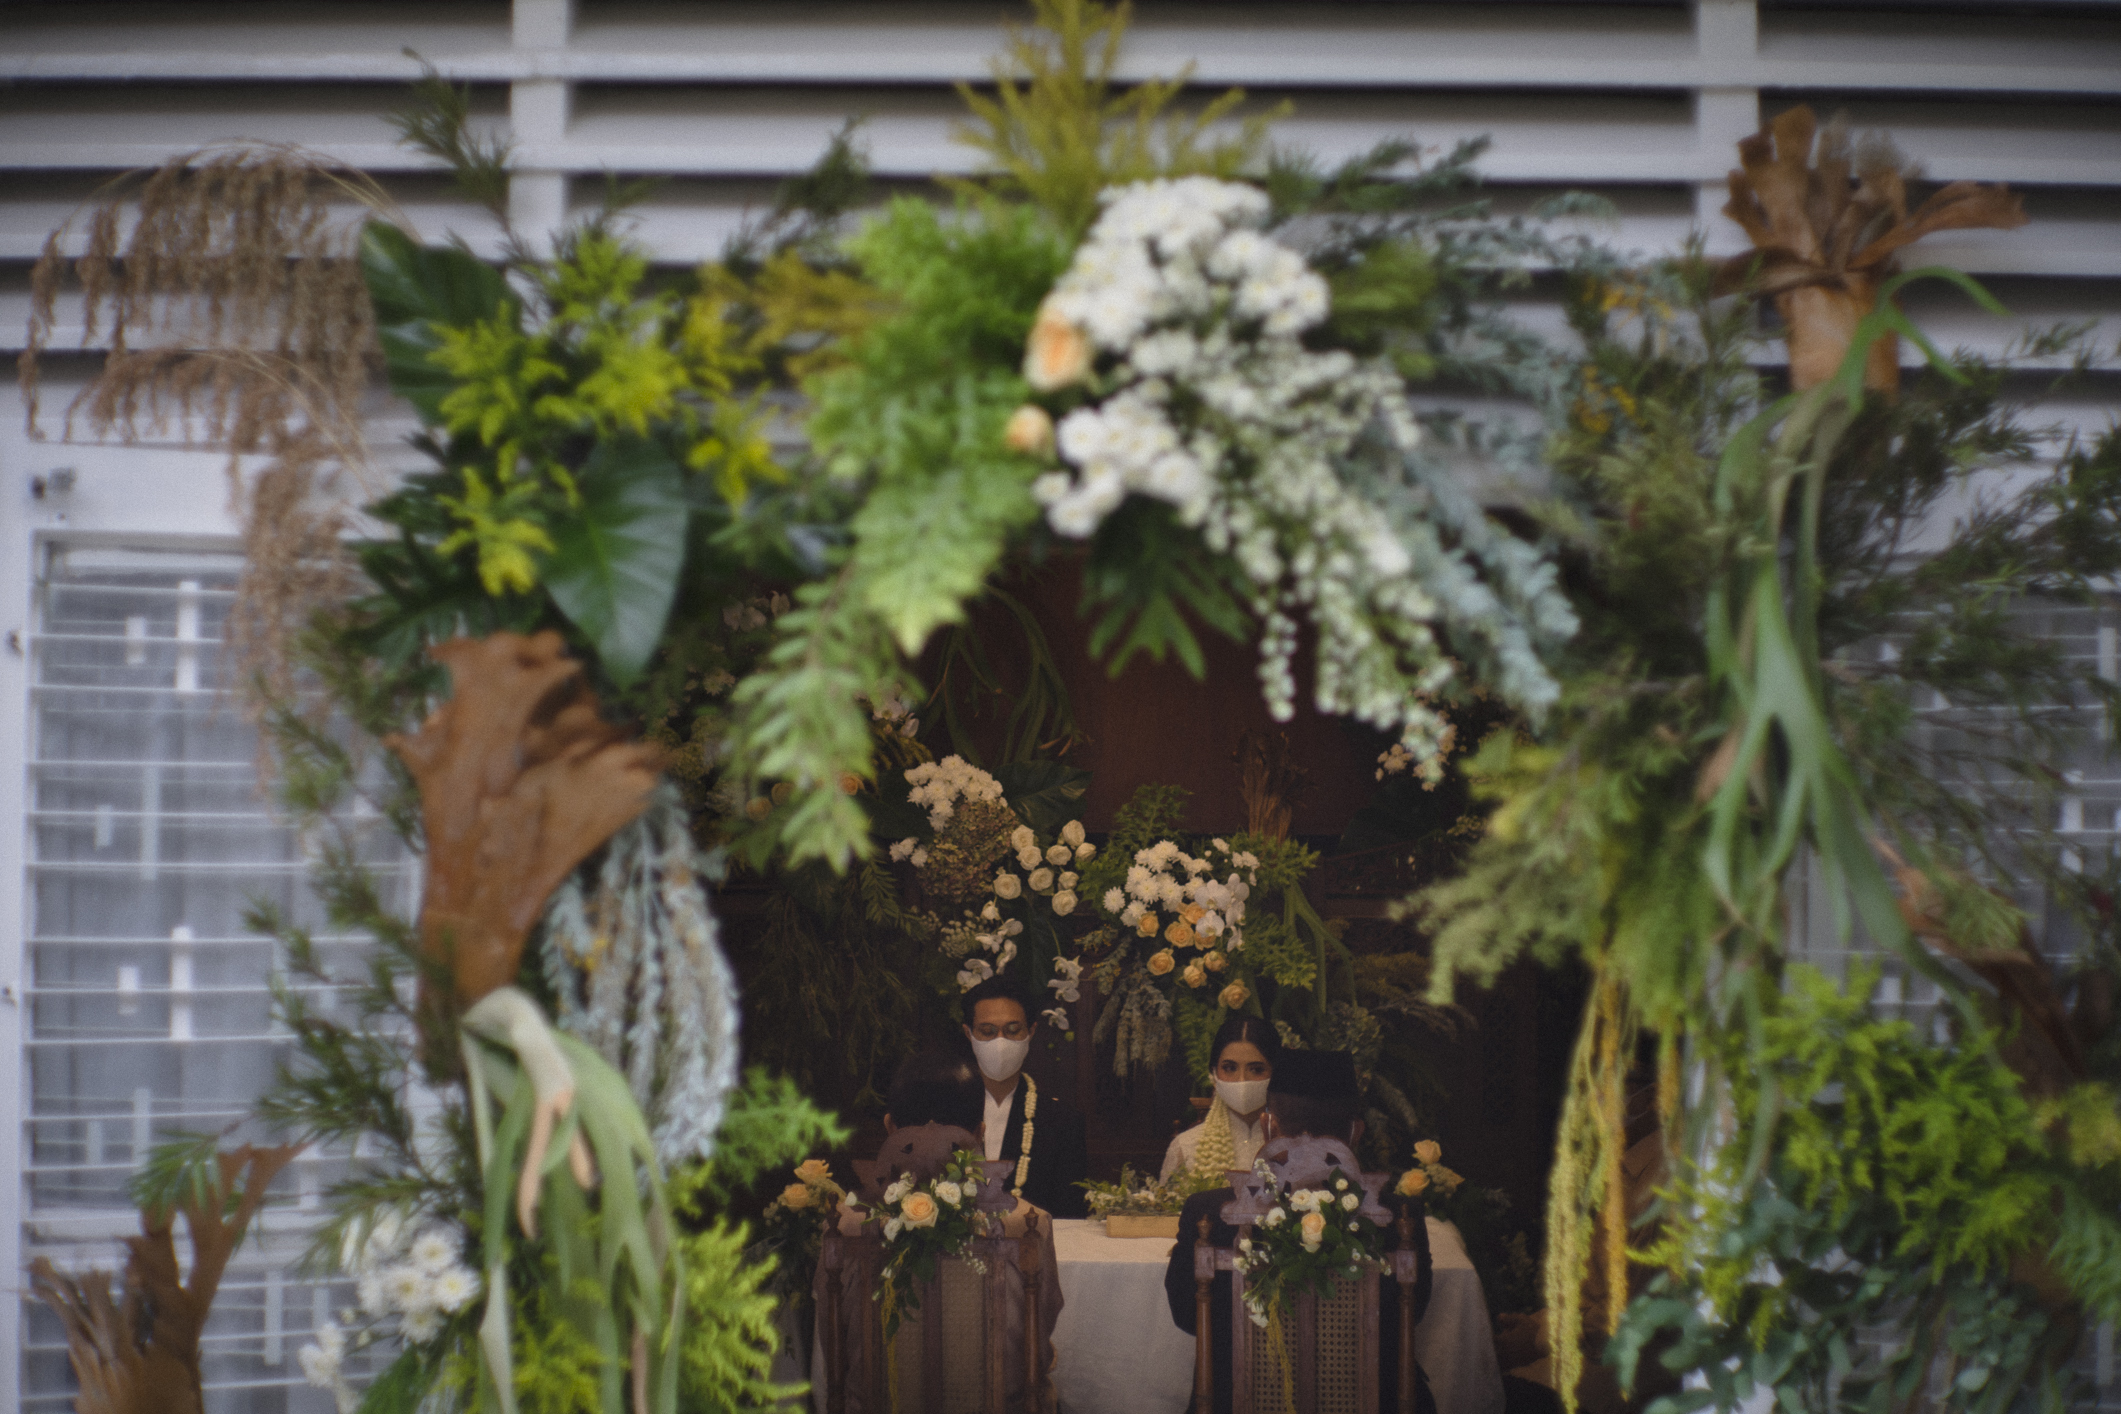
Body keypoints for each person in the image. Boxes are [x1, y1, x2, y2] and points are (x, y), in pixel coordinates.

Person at [1164, 1050, 1435, 1414]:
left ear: (1268, 1127)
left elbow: (1188, 1316)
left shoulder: (1207, 1214)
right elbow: (1411, 1316)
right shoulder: (1400, 1217)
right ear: (1356, 1132)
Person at [816, 1050, 1064, 1413]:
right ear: (980, 1132)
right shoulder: (1026, 1222)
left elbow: (832, 1341)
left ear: (889, 1127)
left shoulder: (845, 1225)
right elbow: (1038, 1340)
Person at [960, 973, 1089, 1218]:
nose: (1000, 1042)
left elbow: (1070, 1215)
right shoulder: (945, 1111)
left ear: (1030, 1032)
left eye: (1012, 1030)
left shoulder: (1061, 1121)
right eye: (987, 1031)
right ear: (969, 1034)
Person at [1160, 1014, 1283, 1184]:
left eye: (1256, 1070)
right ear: (1214, 1073)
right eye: (1230, 1068)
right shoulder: (1185, 1147)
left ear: (1276, 1074)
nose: (1241, 1080)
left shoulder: (1298, 1146)